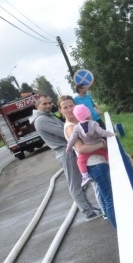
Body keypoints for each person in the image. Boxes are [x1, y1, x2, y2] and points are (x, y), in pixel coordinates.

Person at [31, 95, 103, 221]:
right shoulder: (41, 120)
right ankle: (88, 212)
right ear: (37, 106)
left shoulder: (48, 116)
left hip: (69, 149)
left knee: (81, 182)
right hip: (65, 152)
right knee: (75, 184)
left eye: (49, 103)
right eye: (44, 104)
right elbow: (65, 133)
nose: (48, 106)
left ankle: (90, 208)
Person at [60, 96, 116, 228]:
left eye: (71, 106)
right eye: (65, 107)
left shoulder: (80, 123)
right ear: (60, 111)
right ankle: (118, 228)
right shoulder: (71, 127)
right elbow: (81, 148)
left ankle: (116, 226)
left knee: (105, 197)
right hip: (94, 163)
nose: (69, 109)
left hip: (96, 162)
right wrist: (101, 144)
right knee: (110, 199)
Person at [66, 104, 116, 187]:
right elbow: (102, 132)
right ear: (89, 115)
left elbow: (72, 139)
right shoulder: (94, 123)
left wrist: (69, 147)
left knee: (80, 161)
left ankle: (85, 176)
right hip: (98, 146)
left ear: (77, 117)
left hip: (88, 149)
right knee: (105, 154)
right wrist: (112, 134)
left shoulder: (76, 128)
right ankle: (110, 164)